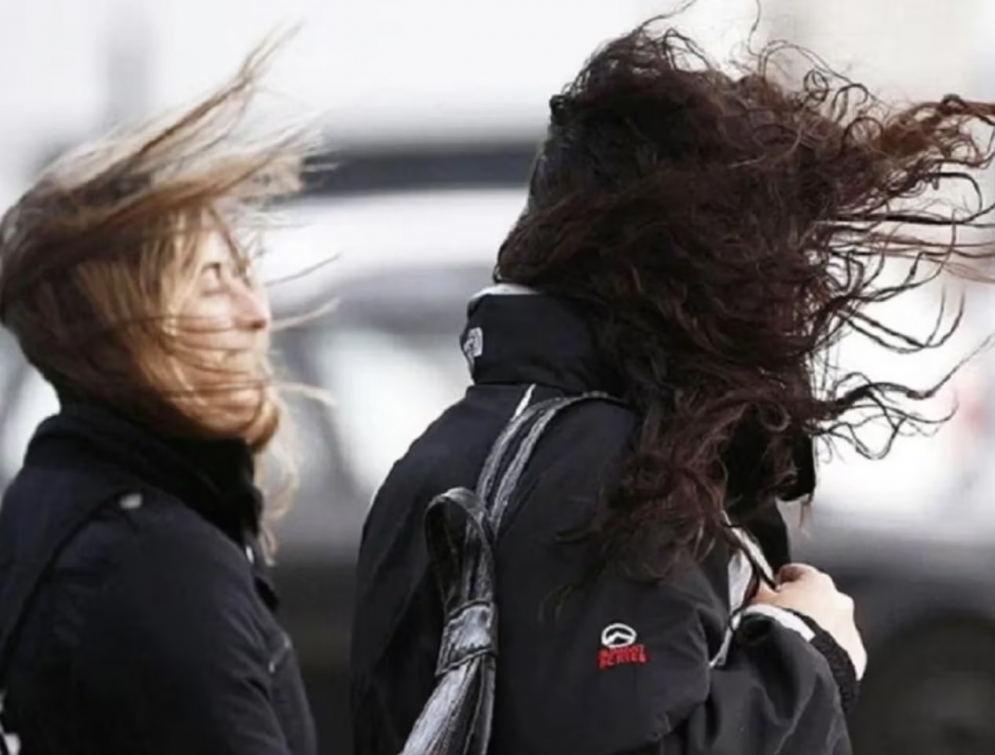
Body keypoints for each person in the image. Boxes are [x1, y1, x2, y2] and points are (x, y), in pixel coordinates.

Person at [350, 20, 995, 755]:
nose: (789, 293)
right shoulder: (591, 464)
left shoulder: (465, 443)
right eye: (761, 254)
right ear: (683, 268)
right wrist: (803, 649)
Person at [0, 45, 316, 755]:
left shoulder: (58, 501)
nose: (256, 311)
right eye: (211, 280)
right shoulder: (157, 563)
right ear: (121, 324)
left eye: (245, 273)